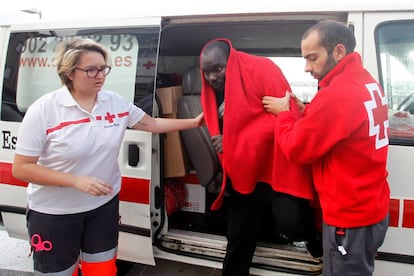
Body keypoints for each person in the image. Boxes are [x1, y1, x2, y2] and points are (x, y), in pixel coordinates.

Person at [12, 38, 203, 276]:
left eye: (103, 68)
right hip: (55, 214)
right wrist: (76, 181)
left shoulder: (113, 102)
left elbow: (151, 123)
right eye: (91, 69)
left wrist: (194, 122)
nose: (100, 75)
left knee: (102, 270)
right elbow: (21, 169)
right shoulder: (45, 109)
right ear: (69, 72)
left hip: (102, 207)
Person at [262, 20, 390, 276]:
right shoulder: (365, 81)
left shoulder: (336, 94)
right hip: (371, 207)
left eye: (312, 58)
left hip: (349, 219)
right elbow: (340, 122)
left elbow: (296, 149)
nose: (307, 68)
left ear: (339, 51)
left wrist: (284, 114)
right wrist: (305, 110)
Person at [200, 38, 321, 276]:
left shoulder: (262, 69)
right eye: (206, 72)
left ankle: (315, 240)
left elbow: (288, 115)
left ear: (231, 60)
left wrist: (235, 140)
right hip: (242, 172)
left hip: (274, 166)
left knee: (292, 224)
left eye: (218, 68)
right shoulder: (211, 94)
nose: (213, 77)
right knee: (237, 239)